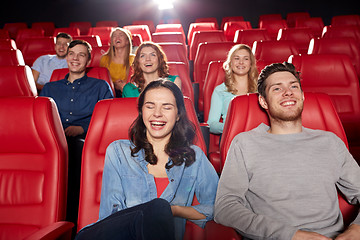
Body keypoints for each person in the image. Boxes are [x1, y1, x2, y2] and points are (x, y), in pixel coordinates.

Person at [214, 62, 360, 240]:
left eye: (294, 86)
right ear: (263, 101)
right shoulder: (244, 144)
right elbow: (225, 208)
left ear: (302, 96)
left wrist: (357, 229)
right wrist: (292, 235)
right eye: (277, 88)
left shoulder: (330, 142)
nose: (288, 92)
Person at [75, 79, 219, 240]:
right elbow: (111, 213)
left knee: (159, 207)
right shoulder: (118, 151)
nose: (157, 113)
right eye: (150, 106)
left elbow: (218, 208)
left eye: (167, 107)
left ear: (178, 115)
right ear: (141, 111)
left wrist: (173, 210)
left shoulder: (194, 157)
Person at [40, 39, 114, 233]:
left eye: (81, 55)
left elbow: (108, 117)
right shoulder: (49, 88)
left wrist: (82, 128)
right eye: (72, 54)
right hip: (54, 141)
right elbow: (41, 118)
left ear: (88, 60)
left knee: (76, 154)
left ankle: (75, 221)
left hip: (85, 142)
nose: (75, 58)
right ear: (67, 57)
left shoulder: (100, 86)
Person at [207, 44, 258, 134]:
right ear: (230, 63)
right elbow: (211, 124)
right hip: (232, 137)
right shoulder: (220, 90)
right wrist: (232, 127)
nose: (241, 62)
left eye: (246, 59)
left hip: (258, 137)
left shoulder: (261, 89)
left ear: (251, 64)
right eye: (237, 58)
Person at [99, 27, 135, 97]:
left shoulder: (134, 59)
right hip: (109, 93)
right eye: (114, 36)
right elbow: (101, 81)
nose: (117, 37)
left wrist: (125, 87)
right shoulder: (104, 59)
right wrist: (115, 85)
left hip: (129, 93)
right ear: (111, 42)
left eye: (121, 35)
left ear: (127, 41)